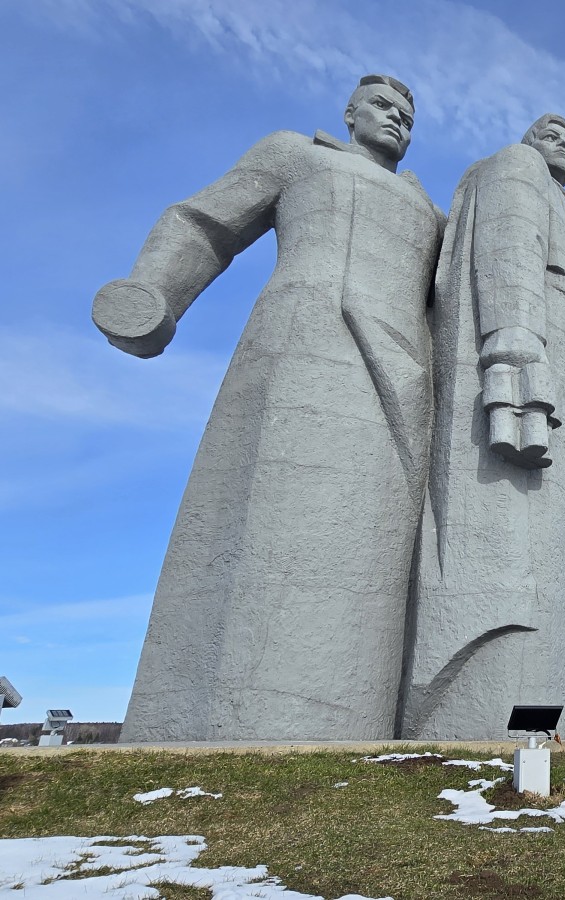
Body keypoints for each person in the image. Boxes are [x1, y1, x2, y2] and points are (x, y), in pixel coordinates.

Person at [94, 75, 445, 742]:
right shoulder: (296, 155)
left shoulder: (428, 210)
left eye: (408, 115)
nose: (397, 119)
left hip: (403, 374)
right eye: (382, 106)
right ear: (349, 113)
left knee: (371, 545)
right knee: (274, 522)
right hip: (303, 345)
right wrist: (154, 293)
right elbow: (204, 223)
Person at [397, 113, 565, 740]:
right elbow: (507, 248)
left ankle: (564, 708)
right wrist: (513, 344)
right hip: (535, 359)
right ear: (529, 142)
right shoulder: (516, 167)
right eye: (552, 134)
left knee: (563, 552)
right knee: (517, 537)